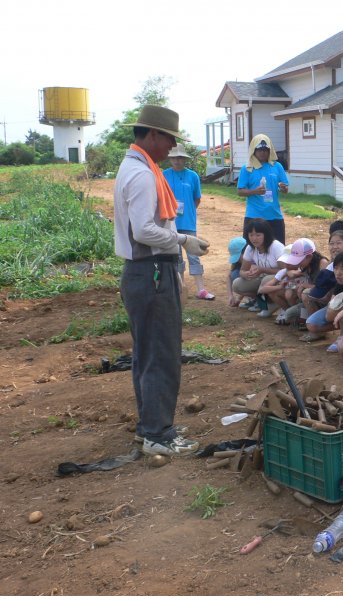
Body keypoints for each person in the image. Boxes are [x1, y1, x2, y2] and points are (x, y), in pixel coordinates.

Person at [114, 105, 207, 455]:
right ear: (153, 134)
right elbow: (144, 229)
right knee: (162, 353)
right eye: (170, 139)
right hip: (151, 272)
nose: (172, 147)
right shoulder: (141, 175)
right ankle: (158, 434)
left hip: (144, 271)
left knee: (148, 352)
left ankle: (149, 426)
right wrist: (183, 240)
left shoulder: (137, 167)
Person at [163, 143, 210, 299]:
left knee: (193, 254)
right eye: (175, 158)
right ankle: (180, 287)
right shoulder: (164, 175)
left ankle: (200, 289)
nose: (178, 161)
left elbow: (197, 199)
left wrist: (188, 211)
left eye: (180, 158)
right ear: (170, 159)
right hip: (170, 222)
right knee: (175, 256)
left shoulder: (193, 176)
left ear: (185, 159)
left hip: (188, 222)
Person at [305, 250, 343, 351]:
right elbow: (329, 316)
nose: (338, 273)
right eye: (335, 268)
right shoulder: (340, 283)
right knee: (311, 325)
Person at [237, 135, 289, 243]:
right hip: (253, 217)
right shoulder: (247, 168)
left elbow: (285, 189)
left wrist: (283, 188)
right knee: (250, 251)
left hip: (274, 216)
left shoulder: (277, 166)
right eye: (259, 149)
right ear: (254, 150)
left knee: (278, 250)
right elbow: (240, 191)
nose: (263, 152)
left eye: (265, 150)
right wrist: (254, 191)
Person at [232, 219, 285, 316]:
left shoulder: (276, 247)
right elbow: (242, 271)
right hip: (262, 277)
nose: (254, 238)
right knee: (237, 284)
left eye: (258, 235)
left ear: (266, 234)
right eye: (251, 235)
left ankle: (271, 304)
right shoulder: (250, 248)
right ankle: (264, 302)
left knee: (266, 280)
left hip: (279, 278)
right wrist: (246, 274)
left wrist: (262, 270)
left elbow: (285, 271)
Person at [226, 236, 248, 307]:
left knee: (239, 280)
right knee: (234, 274)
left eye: (238, 256)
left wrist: (238, 299)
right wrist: (230, 296)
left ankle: (258, 301)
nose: (237, 259)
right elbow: (229, 276)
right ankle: (253, 299)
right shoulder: (238, 263)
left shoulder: (252, 261)